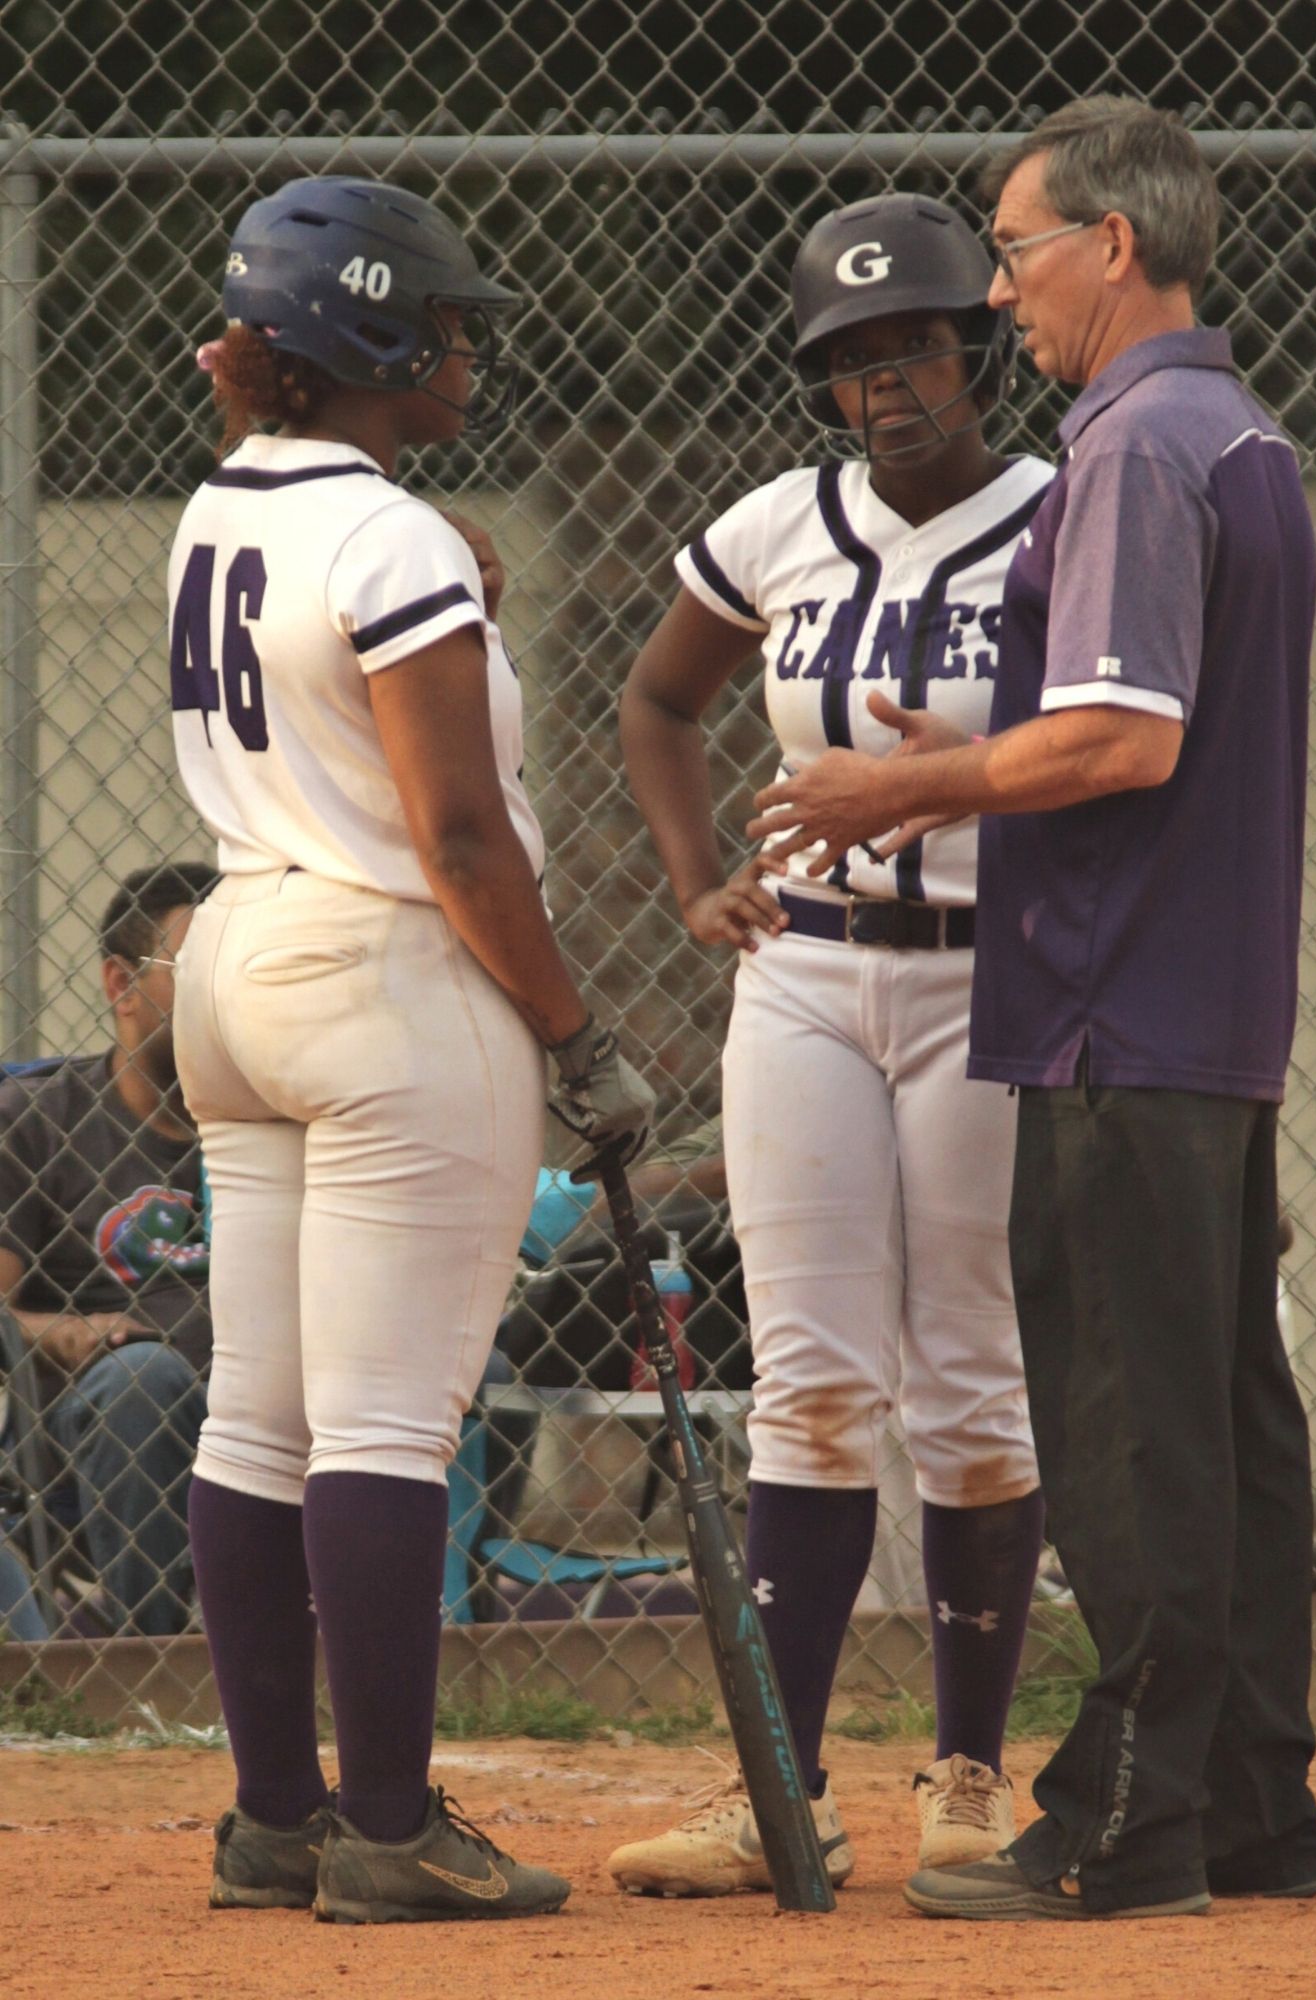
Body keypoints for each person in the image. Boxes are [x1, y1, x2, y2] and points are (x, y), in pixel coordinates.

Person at [750, 98, 1316, 1922]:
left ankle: (1126, 1821)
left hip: (1113, 1011)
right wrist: (979, 757)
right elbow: (1117, 727)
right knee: (1224, 1419)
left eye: (1014, 250)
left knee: (1131, 1428)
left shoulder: (1142, 443)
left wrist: (905, 792)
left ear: (1115, 245)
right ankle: (1251, 1801)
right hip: (1198, 1011)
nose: (1001, 293)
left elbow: (1122, 735)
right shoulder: (1230, 431)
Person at [172, 177, 652, 1925]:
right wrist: (574, 1032)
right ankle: (387, 1828)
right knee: (382, 1422)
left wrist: (457, 575)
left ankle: (277, 1817)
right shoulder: (395, 540)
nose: (463, 347)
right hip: (381, 969)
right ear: (364, 340)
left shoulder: (237, 500)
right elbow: (460, 837)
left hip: (235, 957)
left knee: (259, 1415)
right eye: (437, 324)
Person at [611, 193, 1051, 1898]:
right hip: (801, 974)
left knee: (972, 1384)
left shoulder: (1062, 518)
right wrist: (693, 878)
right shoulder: (782, 525)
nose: (889, 383)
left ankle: (967, 1775)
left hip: (983, 977)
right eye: (853, 360)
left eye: (916, 344)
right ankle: (779, 1794)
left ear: (977, 347)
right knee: (805, 1382)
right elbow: (661, 702)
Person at [0, 863, 215, 1635]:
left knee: (469, 1370)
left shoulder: (284, 1120)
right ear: (121, 984)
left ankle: (446, 1650)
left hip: (270, 1402)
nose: (227, 993)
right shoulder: (38, 1121)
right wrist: (62, 1331)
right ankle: (153, 1670)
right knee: (144, 1380)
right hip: (99, 1425)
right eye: (201, 968)